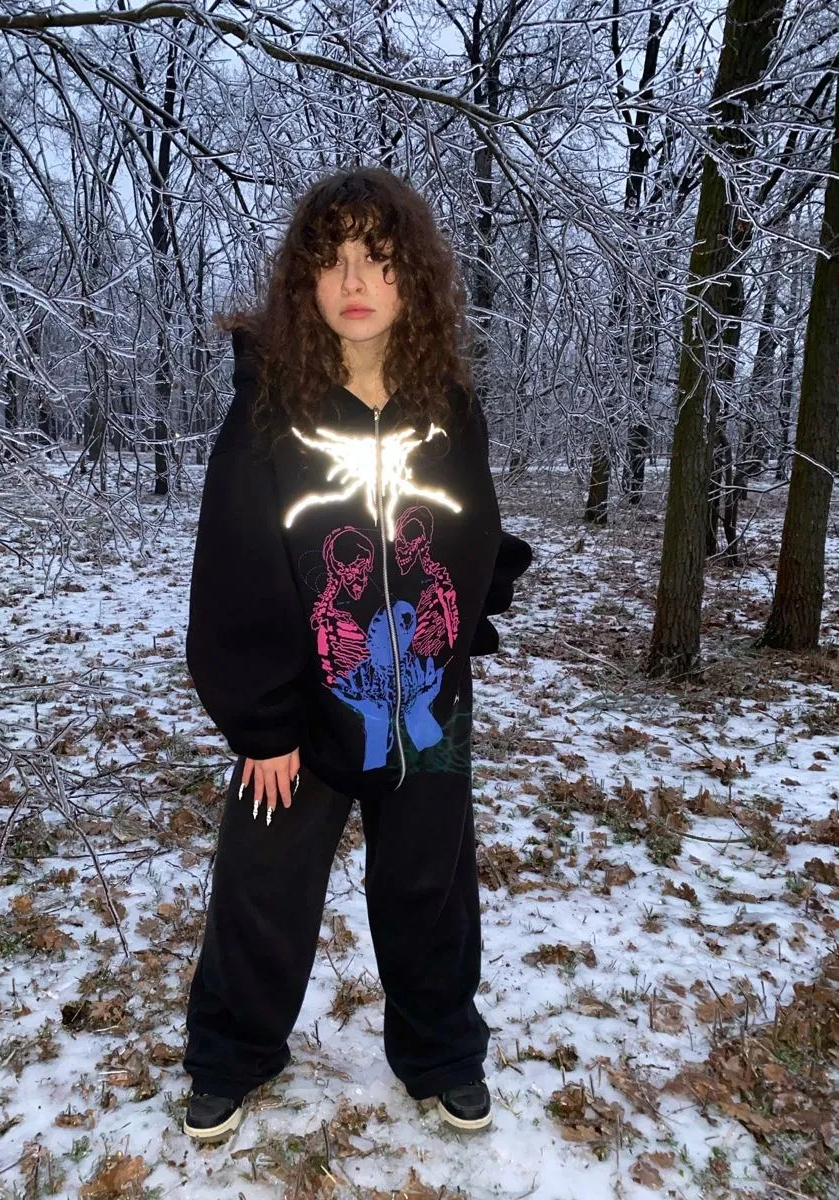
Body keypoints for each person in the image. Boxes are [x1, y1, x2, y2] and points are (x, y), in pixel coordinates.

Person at [181, 166, 532, 1142]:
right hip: (302, 703)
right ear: (305, 278)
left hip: (423, 699)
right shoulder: (270, 407)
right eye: (332, 258)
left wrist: (462, 629)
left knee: (430, 882)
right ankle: (231, 1054)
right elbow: (236, 561)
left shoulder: (447, 402)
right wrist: (261, 721)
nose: (354, 279)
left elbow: (471, 526)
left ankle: (442, 1054)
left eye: (378, 257)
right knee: (263, 882)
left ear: (411, 276)